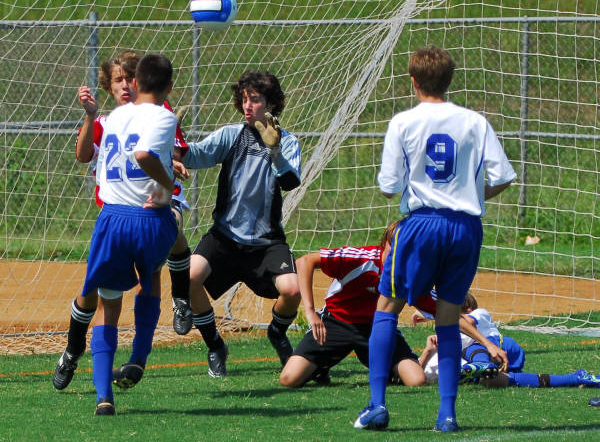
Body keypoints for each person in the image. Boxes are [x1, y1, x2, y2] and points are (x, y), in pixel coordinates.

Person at [354, 45, 517, 433]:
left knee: (386, 307)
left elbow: (388, 188)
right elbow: (504, 177)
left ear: (413, 81)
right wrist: (472, 195)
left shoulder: (403, 122)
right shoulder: (475, 121)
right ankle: (447, 415)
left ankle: (377, 405)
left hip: (422, 224)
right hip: (465, 227)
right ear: (450, 80)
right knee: (447, 317)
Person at [52, 51, 192, 393]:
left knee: (170, 233)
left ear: (140, 82)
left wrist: (170, 165)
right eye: (118, 80)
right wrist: (90, 116)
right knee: (90, 295)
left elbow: (170, 151)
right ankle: (73, 349)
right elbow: (83, 155)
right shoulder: (108, 121)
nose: (126, 85)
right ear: (109, 86)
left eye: (130, 78)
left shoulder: (160, 112)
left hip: (154, 205)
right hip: (115, 215)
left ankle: (180, 300)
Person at [181, 70, 302, 378]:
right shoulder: (230, 135)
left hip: (267, 242)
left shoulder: (287, 142)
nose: (248, 105)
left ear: (271, 104)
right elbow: (193, 156)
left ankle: (277, 333)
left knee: (292, 290)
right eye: (244, 99)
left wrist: (274, 151)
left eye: (256, 99)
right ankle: (215, 346)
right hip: (225, 237)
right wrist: (172, 136)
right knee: (188, 277)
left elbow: (290, 182)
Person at [279, 221, 426, 388]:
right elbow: (304, 261)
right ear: (385, 242)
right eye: (394, 248)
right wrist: (310, 311)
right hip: (336, 322)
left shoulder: (410, 272)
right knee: (289, 379)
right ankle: (319, 367)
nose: (397, 256)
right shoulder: (360, 258)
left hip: (378, 327)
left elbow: (436, 304)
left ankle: (390, 371)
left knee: (417, 381)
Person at [418, 293, 600, 390]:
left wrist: (435, 316)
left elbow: (467, 323)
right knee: (496, 381)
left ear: (468, 309)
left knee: (473, 347)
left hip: (499, 346)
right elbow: (416, 375)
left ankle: (481, 365)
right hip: (489, 364)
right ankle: (575, 378)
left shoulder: (479, 314)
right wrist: (428, 350)